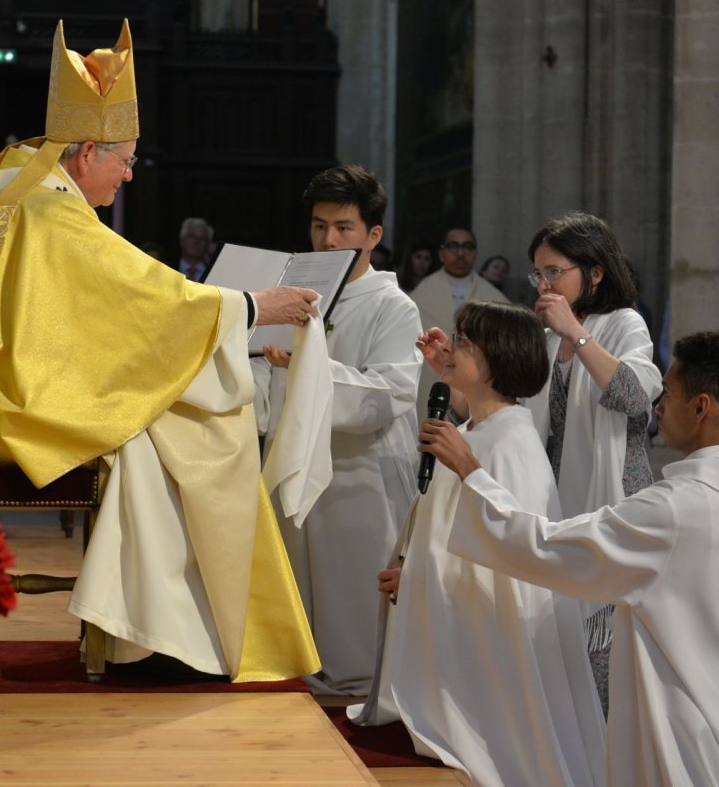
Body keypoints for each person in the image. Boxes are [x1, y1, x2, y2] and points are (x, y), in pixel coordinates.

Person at [0, 19, 320, 682]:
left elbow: (92, 315)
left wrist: (237, 334)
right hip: (10, 406)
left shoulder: (19, 180)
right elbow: (137, 294)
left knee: (165, 428)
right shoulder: (49, 210)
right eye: (126, 159)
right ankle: (164, 639)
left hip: (4, 385)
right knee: (186, 436)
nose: (130, 175)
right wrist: (252, 308)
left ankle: (150, 632)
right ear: (87, 151)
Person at [440, 330, 719, 787]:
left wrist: (474, 475)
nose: (657, 407)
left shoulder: (676, 509)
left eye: (668, 396)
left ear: (701, 408)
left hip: (683, 717)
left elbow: (551, 548)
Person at [358, 301, 606, 787]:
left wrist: (424, 578)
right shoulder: (478, 428)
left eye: (464, 343)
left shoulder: (512, 444)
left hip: (492, 648)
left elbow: (513, 555)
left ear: (499, 357)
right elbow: (453, 528)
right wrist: (416, 575)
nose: (450, 348)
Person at [253, 164, 423, 695]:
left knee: (354, 592)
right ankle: (305, 672)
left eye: (344, 228)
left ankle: (368, 684)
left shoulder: (394, 307)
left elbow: (385, 396)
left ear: (373, 235)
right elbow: (264, 377)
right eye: (319, 225)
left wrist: (300, 367)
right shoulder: (292, 294)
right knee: (300, 581)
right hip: (294, 459)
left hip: (360, 471)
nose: (328, 239)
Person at [521, 211, 662, 713]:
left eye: (554, 271)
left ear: (595, 272)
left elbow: (636, 396)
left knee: (605, 645)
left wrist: (576, 335)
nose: (543, 283)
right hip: (556, 496)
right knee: (557, 641)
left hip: (614, 494)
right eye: (537, 273)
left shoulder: (623, 323)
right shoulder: (543, 336)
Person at [409, 226, 509, 423]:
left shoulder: (493, 297)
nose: (461, 253)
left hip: (475, 382)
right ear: (441, 253)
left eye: (468, 247)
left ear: (476, 254)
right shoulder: (421, 295)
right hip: (429, 378)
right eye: (453, 247)